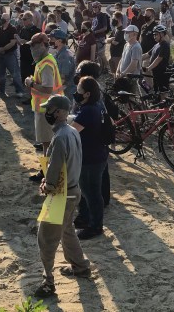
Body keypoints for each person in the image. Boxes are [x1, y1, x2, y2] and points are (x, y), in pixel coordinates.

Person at [33, 95, 91, 299]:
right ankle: (81, 267)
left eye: (50, 109)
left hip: (61, 194)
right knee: (67, 231)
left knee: (46, 238)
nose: (47, 113)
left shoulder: (59, 137)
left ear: (58, 112)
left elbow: (56, 165)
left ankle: (48, 282)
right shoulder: (72, 131)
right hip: (73, 190)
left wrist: (47, 185)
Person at [70, 77, 109, 240]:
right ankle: (85, 218)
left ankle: (95, 226)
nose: (76, 92)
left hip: (90, 158)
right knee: (88, 190)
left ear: (86, 94)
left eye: (79, 90)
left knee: (91, 192)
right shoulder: (98, 105)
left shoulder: (88, 111)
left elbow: (73, 131)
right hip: (98, 154)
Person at [26, 33, 61, 158]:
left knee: (47, 143)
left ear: (41, 45)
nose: (31, 49)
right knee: (47, 142)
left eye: (33, 46)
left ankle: (46, 171)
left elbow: (47, 89)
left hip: (47, 109)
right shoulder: (46, 60)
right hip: (48, 107)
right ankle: (47, 169)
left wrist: (31, 84)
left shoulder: (46, 64)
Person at [0, 18, 24, 98]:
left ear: (8, 20)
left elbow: (13, 42)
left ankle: (19, 91)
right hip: (0, 54)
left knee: (15, 73)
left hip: (10, 54)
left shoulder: (13, 29)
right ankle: (1, 90)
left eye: (4, 19)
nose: (2, 20)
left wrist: (3, 49)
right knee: (0, 73)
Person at [50, 29, 76, 100]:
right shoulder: (59, 53)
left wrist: (53, 92)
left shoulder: (64, 56)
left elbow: (62, 78)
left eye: (52, 39)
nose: (50, 41)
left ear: (60, 41)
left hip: (66, 93)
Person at [144, 25, 171, 93]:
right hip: (155, 72)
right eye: (154, 35)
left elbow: (159, 59)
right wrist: (136, 58)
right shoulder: (156, 45)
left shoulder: (164, 45)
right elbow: (147, 54)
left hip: (162, 73)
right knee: (156, 91)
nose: (154, 36)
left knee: (162, 93)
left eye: (156, 34)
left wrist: (149, 68)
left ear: (162, 34)